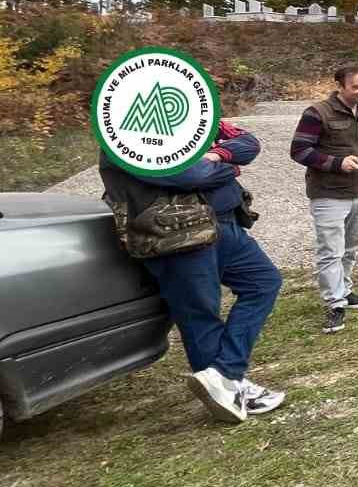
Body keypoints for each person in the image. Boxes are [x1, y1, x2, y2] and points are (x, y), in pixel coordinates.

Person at [99, 118, 285, 424]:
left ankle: (225, 374)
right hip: (175, 234)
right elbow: (188, 174)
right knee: (200, 313)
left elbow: (248, 143)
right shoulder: (124, 136)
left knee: (263, 282)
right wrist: (229, 166)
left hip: (222, 224)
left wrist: (215, 156)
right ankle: (228, 391)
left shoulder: (190, 122)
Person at [290, 63, 358, 335]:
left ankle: (345, 290)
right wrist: (336, 163)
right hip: (328, 193)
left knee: (353, 245)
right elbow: (299, 151)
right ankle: (335, 304)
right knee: (331, 250)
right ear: (341, 86)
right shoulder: (316, 113)